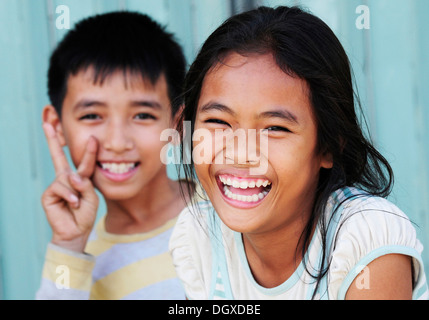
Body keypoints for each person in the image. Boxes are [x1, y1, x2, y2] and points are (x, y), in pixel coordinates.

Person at [169, 6, 428, 299]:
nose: (240, 154)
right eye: (218, 121)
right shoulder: (198, 239)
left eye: (274, 128)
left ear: (328, 145)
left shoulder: (363, 239)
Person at [36, 11, 188, 299]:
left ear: (176, 124)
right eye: (92, 115)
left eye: (143, 114)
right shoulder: (74, 266)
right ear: (57, 127)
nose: (118, 143)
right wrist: (68, 245)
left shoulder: (228, 211)